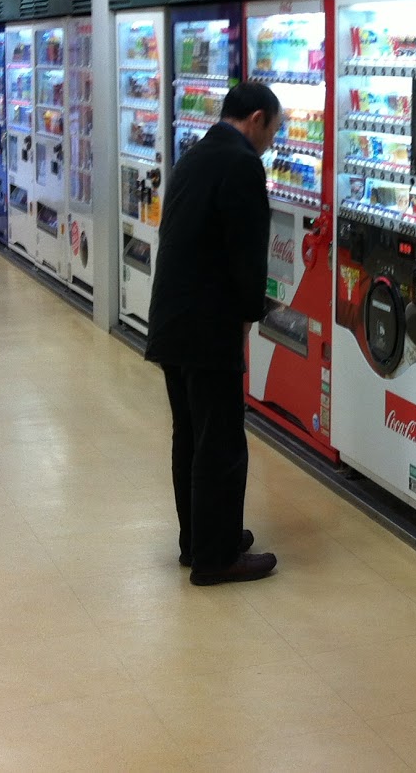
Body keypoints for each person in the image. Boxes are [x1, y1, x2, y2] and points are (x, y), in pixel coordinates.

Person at [146, 81, 282, 585]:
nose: (271, 141)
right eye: (273, 130)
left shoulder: (197, 154)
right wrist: (250, 313)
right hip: (209, 325)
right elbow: (246, 253)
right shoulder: (243, 164)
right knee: (221, 442)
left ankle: (198, 540)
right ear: (256, 120)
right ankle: (218, 556)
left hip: (173, 321)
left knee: (191, 438)